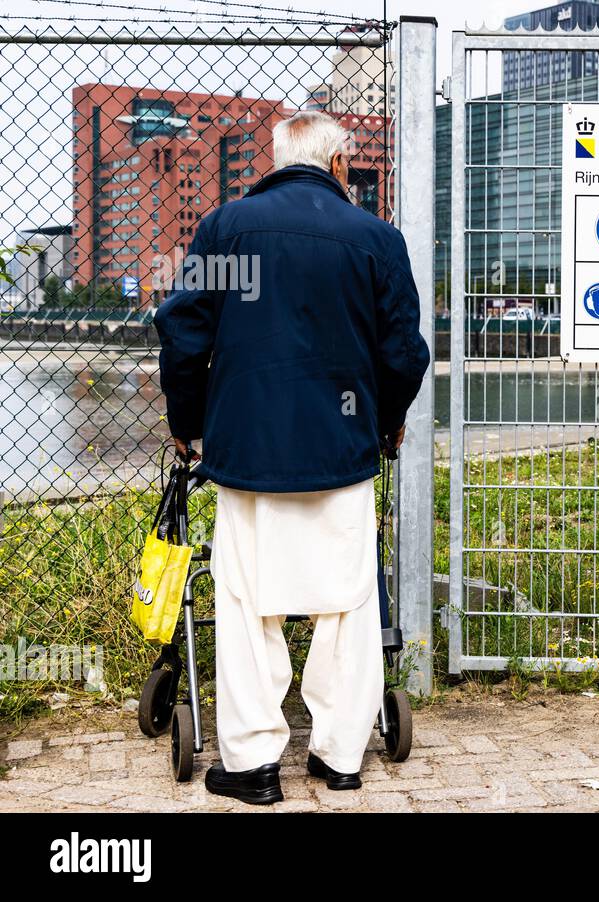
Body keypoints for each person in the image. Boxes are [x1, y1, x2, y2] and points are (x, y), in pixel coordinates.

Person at [154, 111, 430, 805]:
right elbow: (403, 353)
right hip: (343, 448)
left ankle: (251, 767)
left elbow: (185, 337)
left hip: (248, 452)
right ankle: (340, 756)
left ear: (274, 161)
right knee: (349, 602)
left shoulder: (226, 228)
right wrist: (386, 425)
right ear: (341, 164)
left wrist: (187, 425)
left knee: (248, 604)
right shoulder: (376, 238)